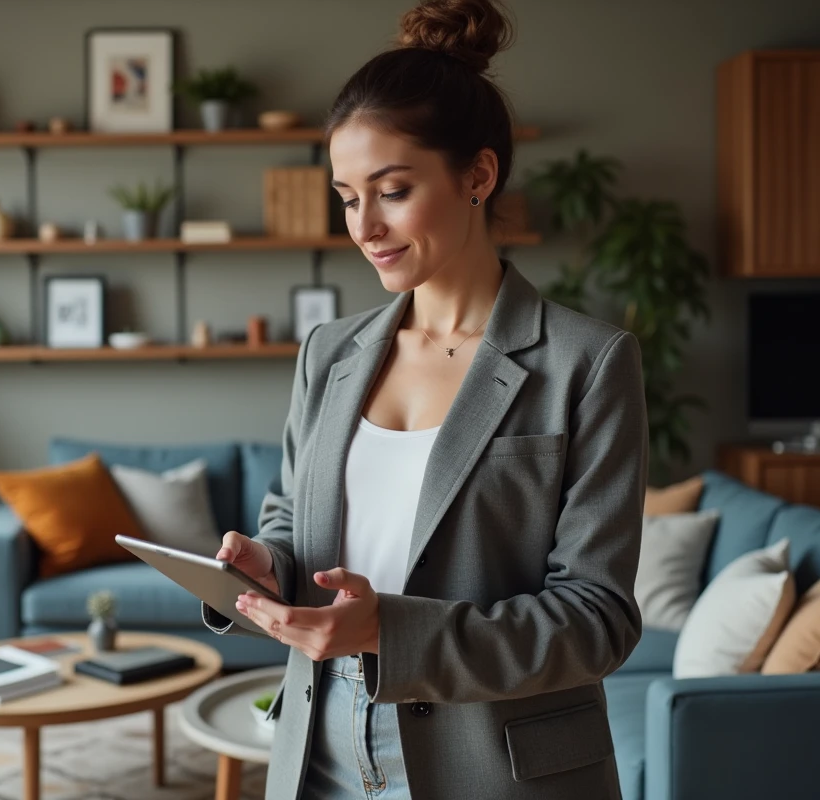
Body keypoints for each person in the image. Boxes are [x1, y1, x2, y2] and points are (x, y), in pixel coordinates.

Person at [200, 1, 648, 797]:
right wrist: (266, 565)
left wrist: (391, 632)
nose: (365, 226)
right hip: (322, 748)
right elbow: (289, 521)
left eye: (392, 190)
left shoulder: (589, 362)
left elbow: (597, 619)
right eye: (346, 197)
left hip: (495, 763)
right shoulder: (329, 354)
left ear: (478, 174)